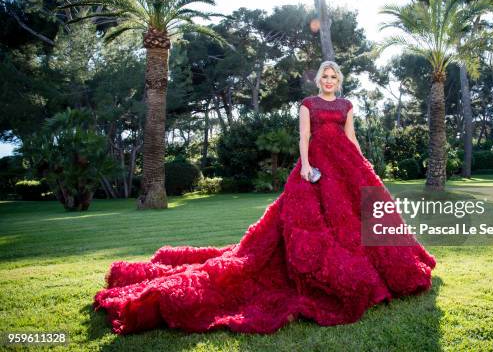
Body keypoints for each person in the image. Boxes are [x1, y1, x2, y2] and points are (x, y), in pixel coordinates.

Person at [93, 61, 437, 335]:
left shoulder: (347, 105)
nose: (329, 80)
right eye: (325, 76)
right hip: (315, 166)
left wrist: (363, 163)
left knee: (366, 214)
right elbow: (304, 138)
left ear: (339, 80)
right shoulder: (308, 104)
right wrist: (305, 165)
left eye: (334, 76)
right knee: (309, 222)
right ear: (319, 80)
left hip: (347, 166)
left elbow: (351, 138)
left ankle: (384, 269)